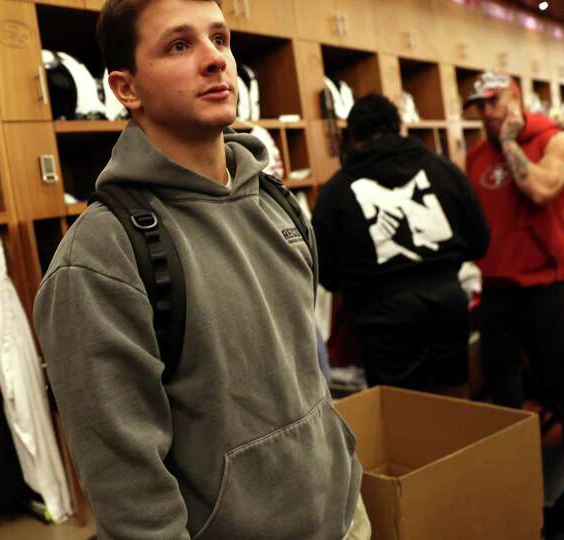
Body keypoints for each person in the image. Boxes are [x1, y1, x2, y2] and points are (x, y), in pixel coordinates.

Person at [32, 1, 368, 538]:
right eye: (179, 45)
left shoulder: (276, 202)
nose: (215, 60)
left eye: (220, 39)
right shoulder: (99, 259)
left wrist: (347, 498)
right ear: (127, 89)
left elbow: (307, 378)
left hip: (341, 517)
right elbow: (129, 487)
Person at [312, 93, 490, 397]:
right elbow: (479, 241)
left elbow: (325, 273)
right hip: (447, 306)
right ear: (400, 127)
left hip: (384, 323)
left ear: (352, 137)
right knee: (458, 410)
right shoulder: (442, 170)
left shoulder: (337, 190)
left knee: (401, 417)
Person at [464, 71, 564, 448]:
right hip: (498, 289)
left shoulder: (557, 139)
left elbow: (540, 189)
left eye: (493, 101)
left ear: (515, 99)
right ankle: (516, 469)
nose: (485, 112)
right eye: (479, 106)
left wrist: (508, 143)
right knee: (502, 389)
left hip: (549, 286)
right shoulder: (474, 156)